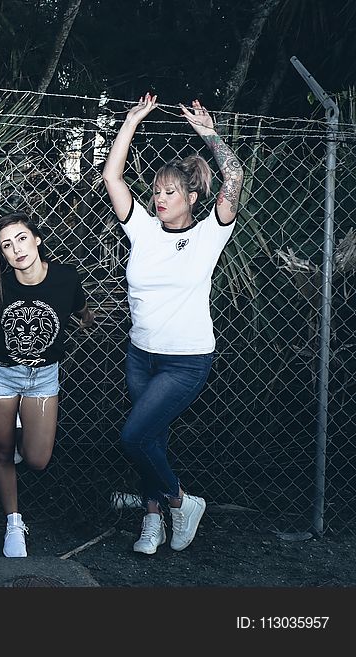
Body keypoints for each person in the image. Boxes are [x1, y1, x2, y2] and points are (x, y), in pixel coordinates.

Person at [101, 94, 244, 554]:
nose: (160, 199)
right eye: (157, 192)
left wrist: (209, 132)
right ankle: (152, 521)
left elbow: (235, 176)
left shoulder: (210, 234)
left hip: (186, 362)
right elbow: (111, 176)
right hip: (141, 356)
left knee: (133, 436)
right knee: (152, 438)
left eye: (170, 192)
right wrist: (130, 122)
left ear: (192, 198)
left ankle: (182, 502)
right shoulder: (142, 228)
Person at [0, 212, 94, 557]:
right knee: (3, 451)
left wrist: (83, 320)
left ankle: (23, 427)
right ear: (2, 254)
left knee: (37, 459)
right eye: (7, 245)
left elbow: (83, 311)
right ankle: (13, 523)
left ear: (36, 239)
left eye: (21, 238)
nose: (16, 249)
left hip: (42, 378)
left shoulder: (65, 278)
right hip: (0, 375)